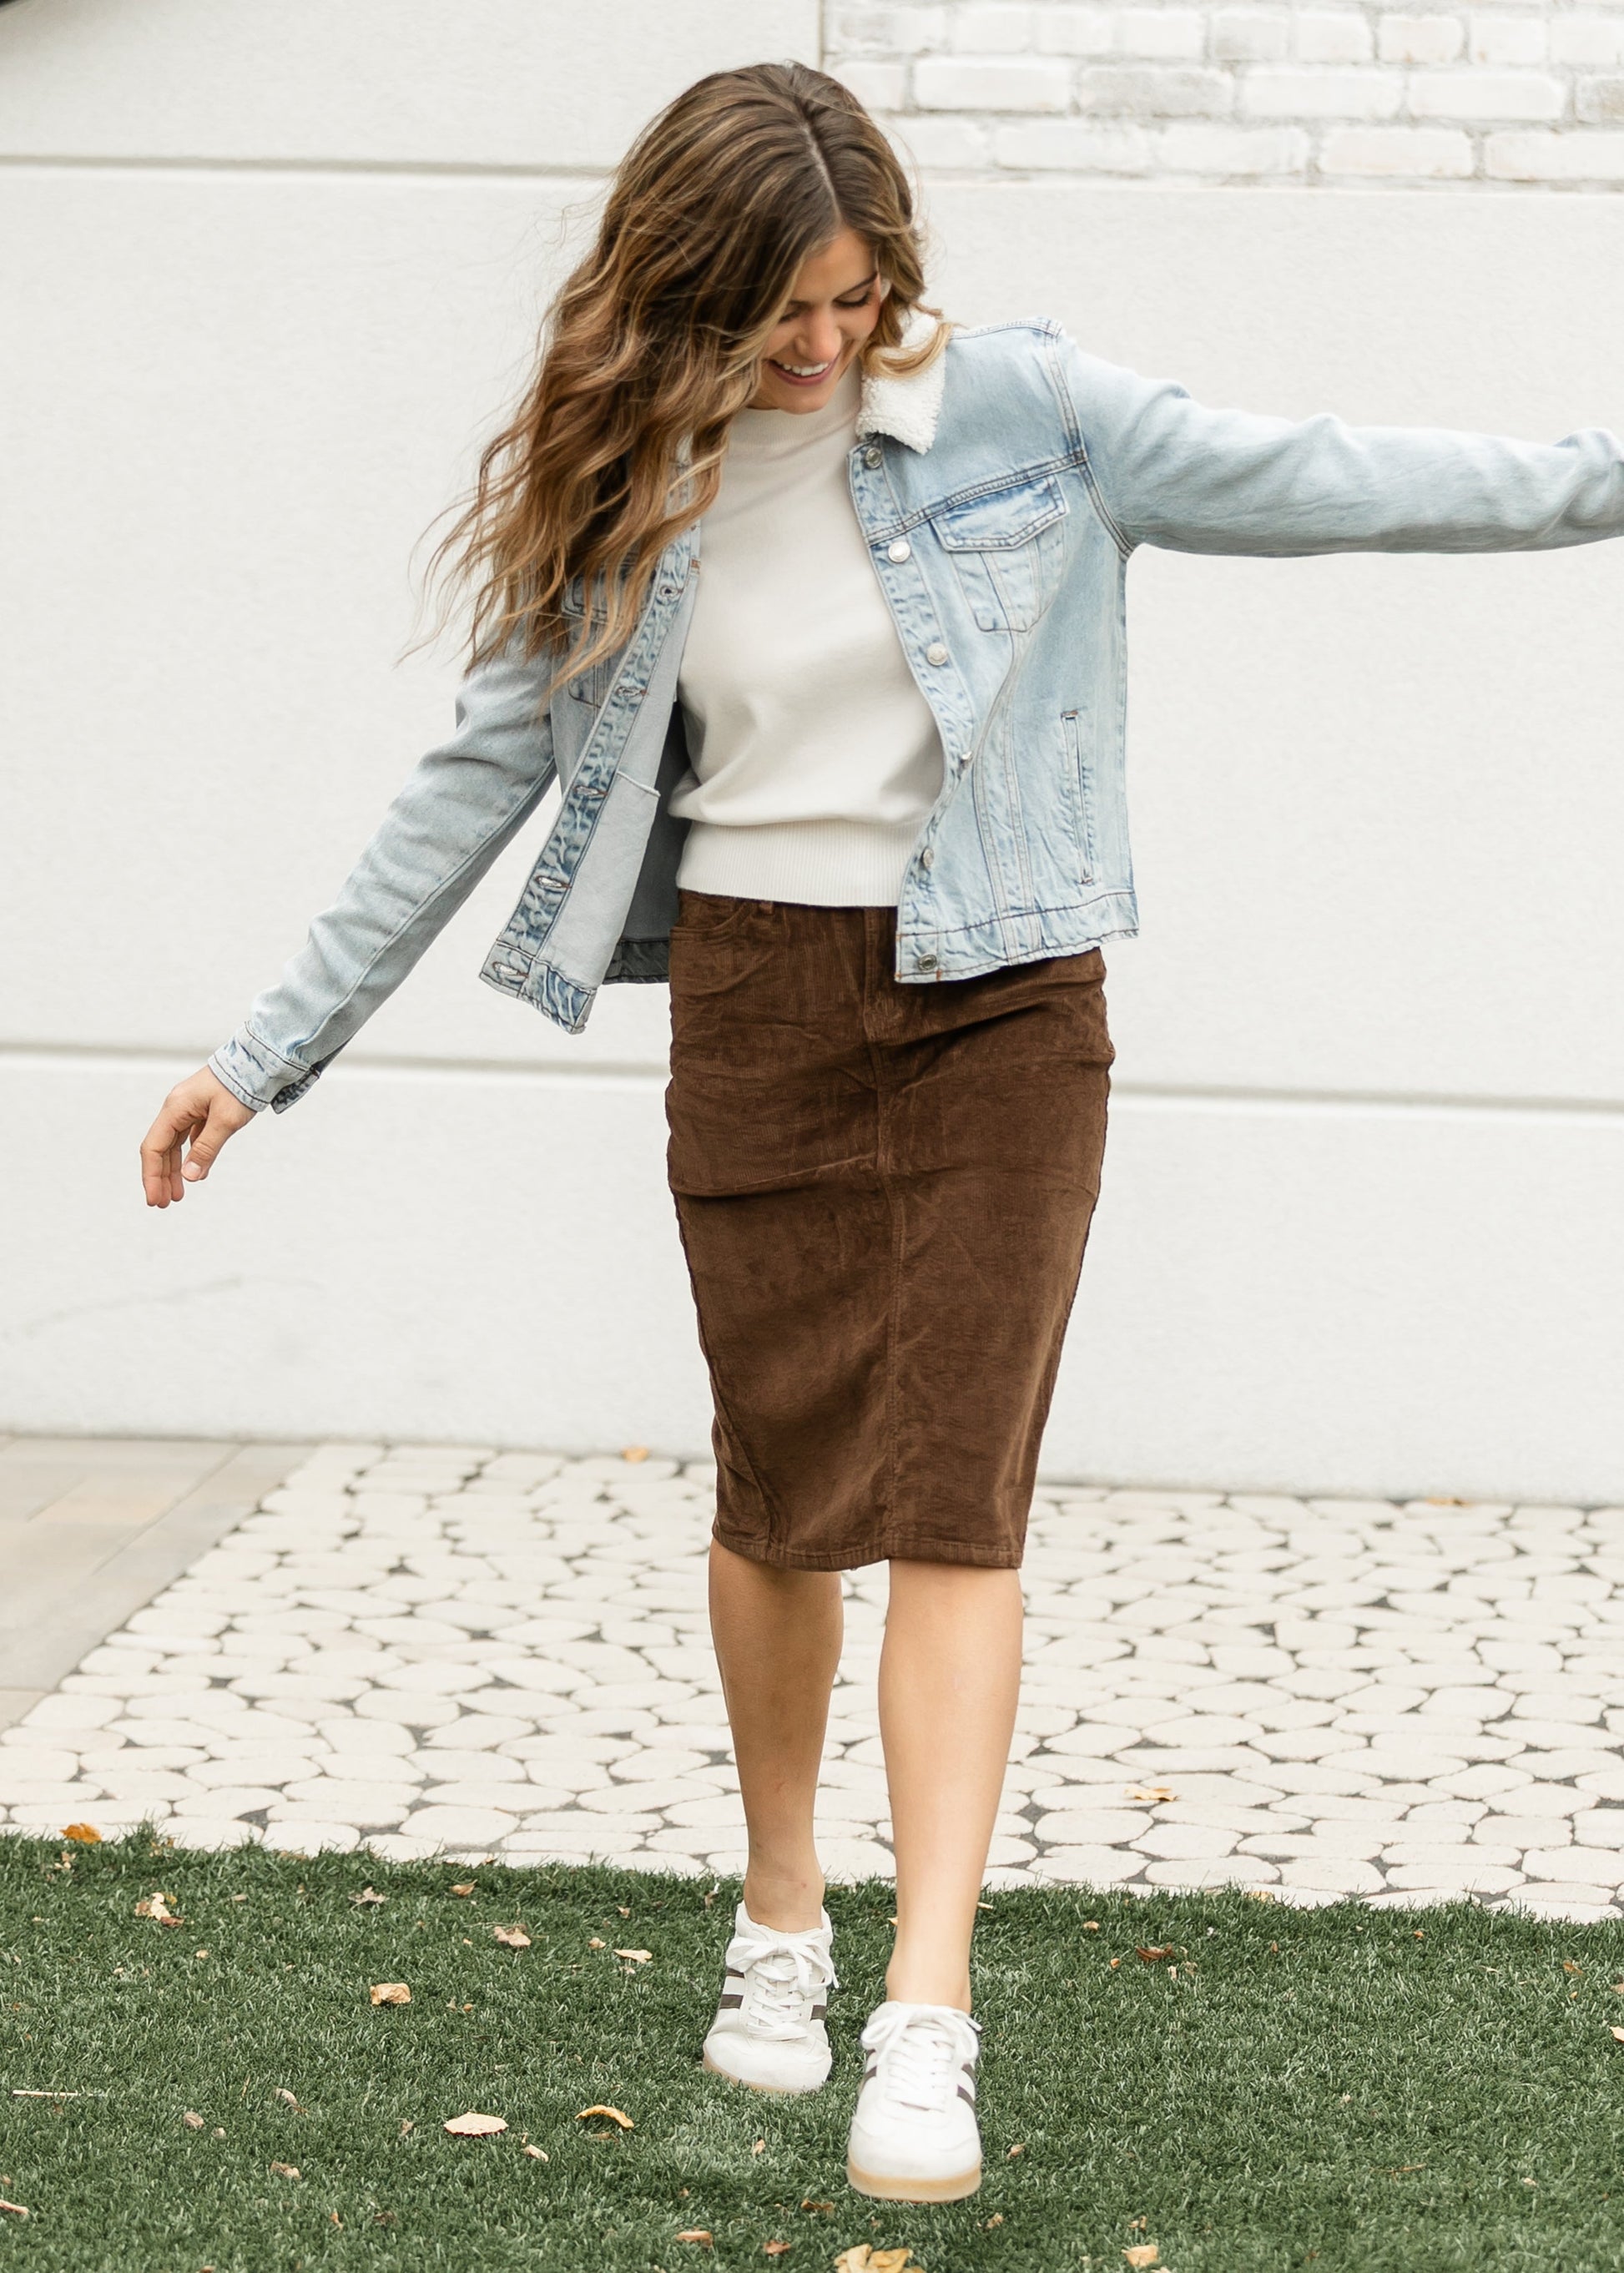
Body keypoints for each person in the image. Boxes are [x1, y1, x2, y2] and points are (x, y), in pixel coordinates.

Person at [139, 58, 1624, 2205]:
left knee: (956, 1499)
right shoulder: (630, 476)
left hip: (1003, 1003)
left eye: (852, 299)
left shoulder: (1032, 413)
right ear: (680, 292)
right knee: (779, 1499)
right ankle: (781, 1916)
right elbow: (476, 775)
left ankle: (928, 2011)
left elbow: (1337, 476)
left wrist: (1602, 477)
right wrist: (264, 1051)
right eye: (779, 312)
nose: (823, 344)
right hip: (757, 1004)